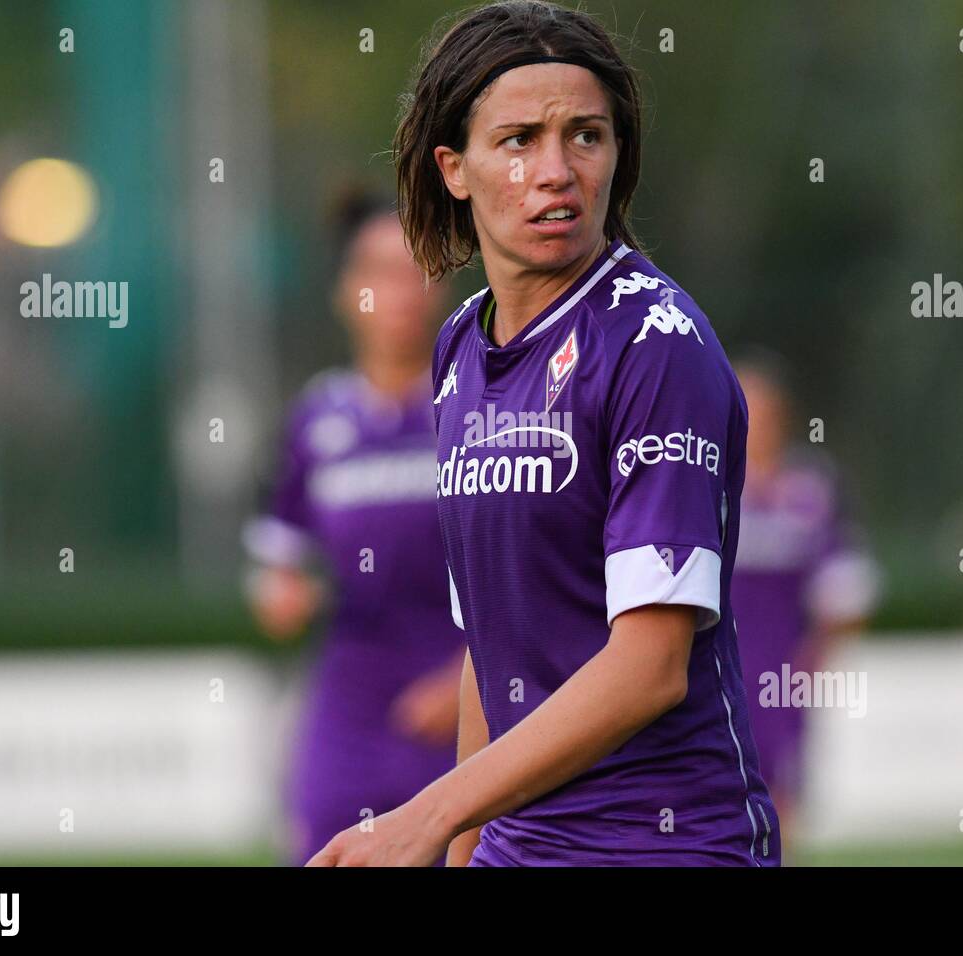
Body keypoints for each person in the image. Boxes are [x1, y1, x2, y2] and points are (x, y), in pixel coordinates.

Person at [307, 0, 778, 866]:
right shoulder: (459, 349)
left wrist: (426, 814)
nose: (556, 168)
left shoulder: (655, 345)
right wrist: (460, 846)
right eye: (519, 139)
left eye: (586, 136)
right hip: (519, 848)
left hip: (663, 845)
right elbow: (490, 654)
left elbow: (650, 667)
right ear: (455, 168)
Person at [243, 187, 464, 866]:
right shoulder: (317, 420)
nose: (400, 291)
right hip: (350, 704)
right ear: (347, 291)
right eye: (379, 271)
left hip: (469, 703)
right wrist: (282, 594)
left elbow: (539, 570)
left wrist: (470, 678)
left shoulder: (480, 408)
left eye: (416, 271)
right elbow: (276, 564)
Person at [728, 350, 881, 849]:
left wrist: (819, 655)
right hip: (711, 673)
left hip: (781, 676)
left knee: (781, 799)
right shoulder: (706, 481)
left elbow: (845, 585)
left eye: (766, 412)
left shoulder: (812, 487)